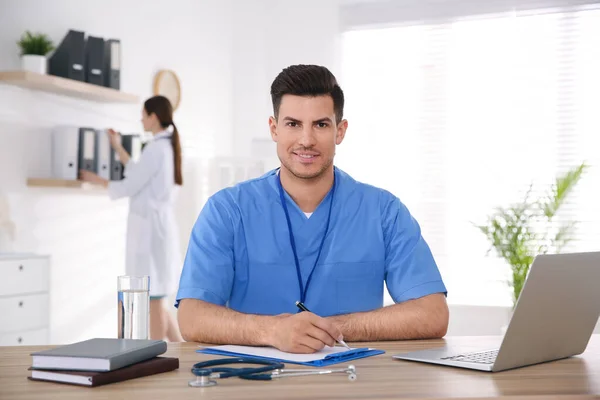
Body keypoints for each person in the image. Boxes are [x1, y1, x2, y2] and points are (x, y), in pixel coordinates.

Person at [176, 65, 449, 353]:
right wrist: (273, 331)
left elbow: (433, 313)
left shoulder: (384, 212)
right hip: (252, 381)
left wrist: (327, 330)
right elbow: (192, 317)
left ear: (340, 131)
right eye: (293, 124)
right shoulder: (227, 211)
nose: (306, 139)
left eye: (320, 124)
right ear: (274, 129)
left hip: (355, 383)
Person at [80, 95, 184, 342]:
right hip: (157, 229)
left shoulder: (157, 148)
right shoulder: (164, 146)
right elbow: (139, 172)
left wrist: (98, 180)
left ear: (153, 117)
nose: (141, 119)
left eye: (143, 114)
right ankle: (182, 350)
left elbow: (130, 185)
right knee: (158, 296)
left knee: (155, 297)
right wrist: (117, 147)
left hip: (151, 233)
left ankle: (159, 357)